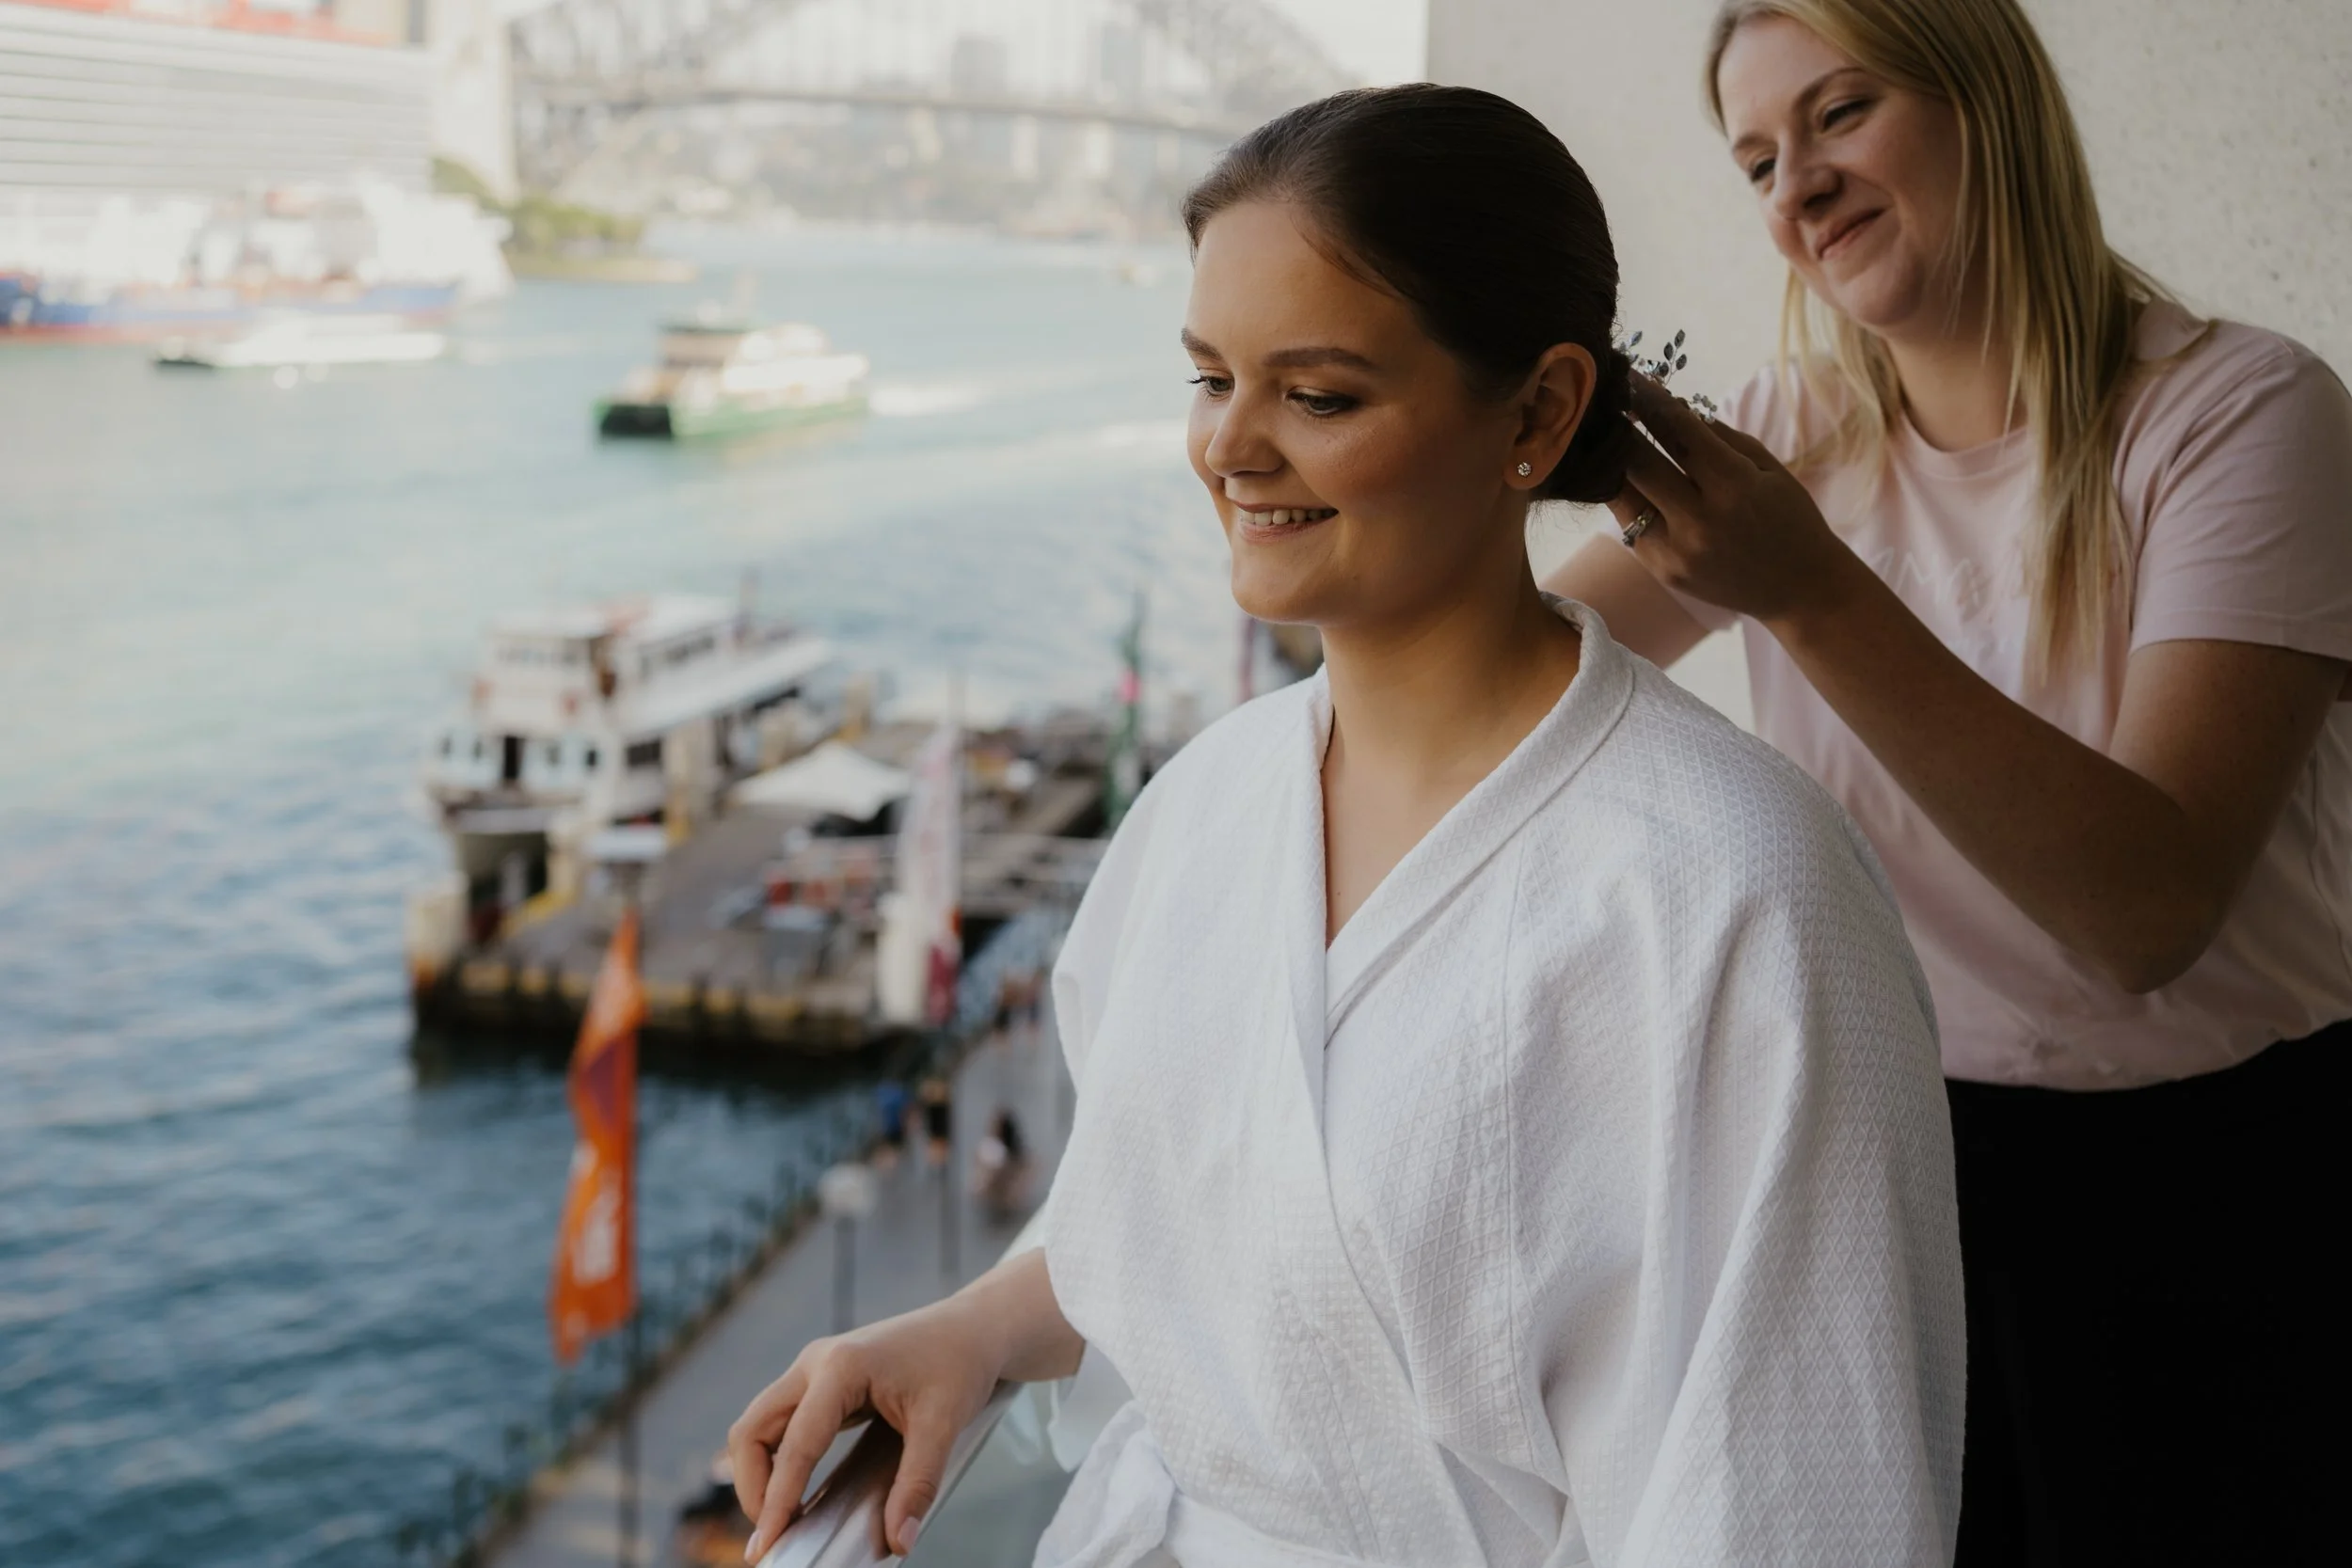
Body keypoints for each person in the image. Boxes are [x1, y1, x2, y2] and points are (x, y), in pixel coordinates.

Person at [728, 85, 1963, 1568]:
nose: (1232, 449)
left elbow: (1797, 1495)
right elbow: (1191, 1222)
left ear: (1539, 411)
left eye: (1316, 396)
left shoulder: (1738, 891)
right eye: (1208, 378)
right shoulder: (1203, 807)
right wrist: (976, 1323)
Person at [1544, 3, 2352, 1561]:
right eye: (1760, 159)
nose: (1799, 188)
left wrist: (1809, 590)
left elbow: (2146, 910)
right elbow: (1518, 677)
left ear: (1991, 103)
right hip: (1896, 1170)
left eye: (1843, 114)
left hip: (2224, 1192)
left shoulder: (2240, 416)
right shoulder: (1795, 440)